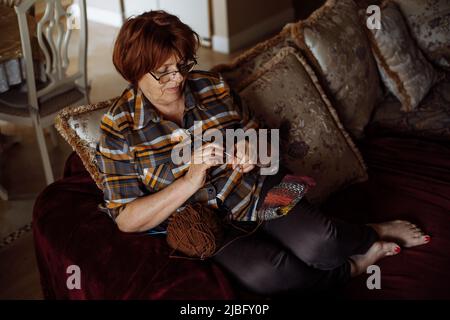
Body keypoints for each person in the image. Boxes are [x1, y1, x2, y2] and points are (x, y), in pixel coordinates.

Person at [96, 10, 430, 296]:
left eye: (182, 66)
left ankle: (371, 231)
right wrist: (189, 180)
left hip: (263, 186)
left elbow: (255, 128)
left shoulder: (210, 85)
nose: (177, 80)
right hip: (214, 227)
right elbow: (126, 220)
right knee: (270, 274)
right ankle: (353, 269)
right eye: (164, 72)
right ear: (134, 71)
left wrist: (249, 145)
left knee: (323, 242)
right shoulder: (118, 129)